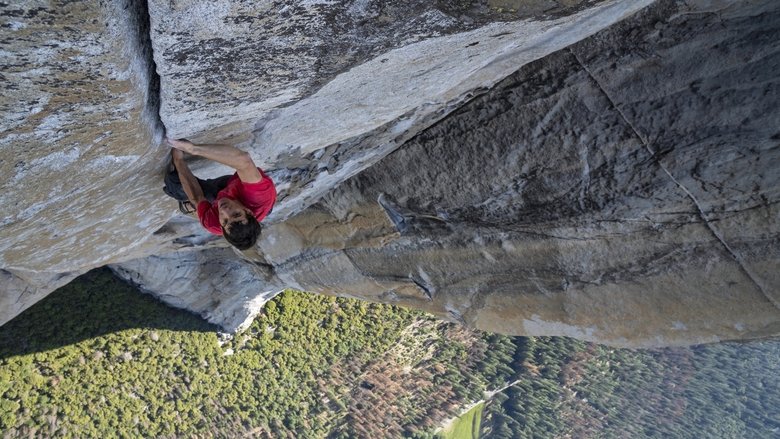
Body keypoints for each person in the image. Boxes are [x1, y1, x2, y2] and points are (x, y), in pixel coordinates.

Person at [164, 138, 276, 250]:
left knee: (175, 183)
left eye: (225, 221)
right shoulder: (258, 196)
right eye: (236, 214)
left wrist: (178, 160)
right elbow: (244, 161)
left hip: (227, 195)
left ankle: (195, 209)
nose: (225, 210)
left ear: (221, 228)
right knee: (245, 175)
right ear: (248, 211)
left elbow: (197, 197)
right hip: (237, 189)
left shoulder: (213, 224)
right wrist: (193, 148)